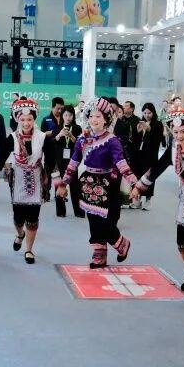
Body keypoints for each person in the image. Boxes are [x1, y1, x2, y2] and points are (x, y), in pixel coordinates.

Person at [134, 109, 184, 293]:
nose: (179, 136)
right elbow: (157, 168)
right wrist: (139, 187)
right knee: (182, 241)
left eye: (183, 132)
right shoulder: (174, 150)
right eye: (176, 132)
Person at [57, 97, 137, 268]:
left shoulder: (112, 140)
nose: (94, 119)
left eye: (98, 116)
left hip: (107, 184)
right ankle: (99, 255)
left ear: (106, 119)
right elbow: (74, 161)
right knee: (93, 221)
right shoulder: (82, 139)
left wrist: (134, 183)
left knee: (105, 221)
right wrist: (64, 183)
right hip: (87, 182)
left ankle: (122, 244)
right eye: (91, 116)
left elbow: (121, 162)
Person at [0, 98, 58, 264]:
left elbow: (51, 161)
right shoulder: (12, 138)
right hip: (18, 179)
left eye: (29, 119)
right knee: (18, 218)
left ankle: (29, 249)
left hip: (36, 178)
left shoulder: (42, 137)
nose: (26, 123)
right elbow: (0, 158)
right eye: (22, 119)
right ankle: (20, 234)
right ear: (17, 119)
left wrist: (59, 184)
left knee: (33, 218)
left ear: (34, 119)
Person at [130, 102, 164, 210]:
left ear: (153, 112)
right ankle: (137, 199)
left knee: (149, 176)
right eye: (144, 113)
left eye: (149, 113)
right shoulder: (141, 123)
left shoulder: (158, 124)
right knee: (138, 175)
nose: (147, 115)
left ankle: (148, 200)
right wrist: (138, 131)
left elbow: (158, 140)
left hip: (151, 155)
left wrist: (149, 130)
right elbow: (135, 140)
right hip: (139, 153)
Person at [54, 105, 84, 218]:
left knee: (75, 186)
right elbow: (52, 142)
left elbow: (81, 145)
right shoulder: (57, 127)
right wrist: (59, 135)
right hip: (59, 160)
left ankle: (79, 211)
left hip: (73, 161)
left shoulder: (77, 128)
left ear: (73, 116)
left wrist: (72, 137)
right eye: (65, 115)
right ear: (62, 116)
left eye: (70, 115)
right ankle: (61, 211)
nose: (67, 117)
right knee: (59, 184)